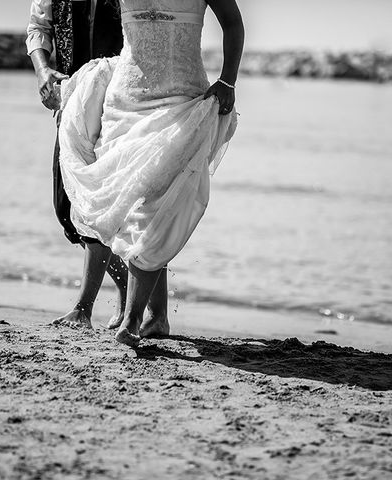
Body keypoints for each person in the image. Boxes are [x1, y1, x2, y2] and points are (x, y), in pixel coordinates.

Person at [58, 0, 244, 346]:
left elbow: (233, 23)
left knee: (158, 206)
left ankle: (132, 319)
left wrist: (228, 81)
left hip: (181, 100)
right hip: (124, 102)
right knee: (133, 207)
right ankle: (156, 318)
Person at [26, 0, 170, 332]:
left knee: (113, 204)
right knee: (67, 209)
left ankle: (87, 308)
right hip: (71, 103)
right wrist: (43, 71)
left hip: (121, 105)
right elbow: (38, 28)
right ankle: (126, 292)